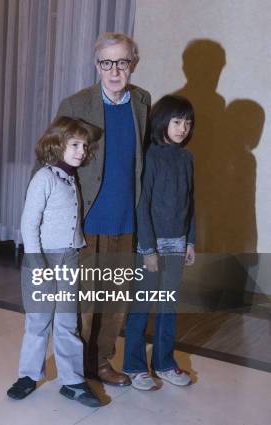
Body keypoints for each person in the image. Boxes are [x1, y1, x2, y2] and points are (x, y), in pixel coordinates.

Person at [55, 32, 151, 387]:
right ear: (97, 65)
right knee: (82, 302)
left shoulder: (142, 102)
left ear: (133, 65)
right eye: (106, 62)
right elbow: (51, 160)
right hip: (87, 220)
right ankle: (74, 367)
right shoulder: (76, 104)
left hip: (125, 219)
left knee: (114, 300)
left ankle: (101, 361)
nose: (114, 70)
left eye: (122, 62)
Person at [7, 116, 102, 407]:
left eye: (84, 146)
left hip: (68, 258)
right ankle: (28, 375)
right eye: (74, 144)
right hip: (43, 259)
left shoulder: (72, 178)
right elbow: (29, 224)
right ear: (56, 144)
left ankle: (71, 380)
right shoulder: (44, 178)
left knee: (66, 320)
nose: (81, 151)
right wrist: (38, 265)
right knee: (38, 321)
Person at [123, 95, 196, 390]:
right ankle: (134, 365)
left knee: (169, 306)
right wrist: (148, 249)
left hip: (178, 244)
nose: (182, 128)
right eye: (177, 121)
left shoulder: (187, 158)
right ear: (162, 121)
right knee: (141, 306)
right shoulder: (150, 155)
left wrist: (190, 241)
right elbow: (143, 205)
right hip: (151, 247)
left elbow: (192, 202)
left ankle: (165, 363)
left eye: (188, 123)